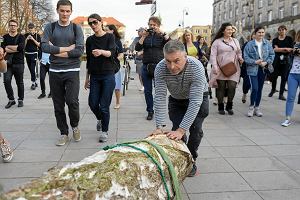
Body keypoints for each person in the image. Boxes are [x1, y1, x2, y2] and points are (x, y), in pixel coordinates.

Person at [151, 40, 209, 177]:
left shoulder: (196, 67)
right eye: (168, 61)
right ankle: (181, 161)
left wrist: (182, 130)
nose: (172, 66)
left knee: (195, 130)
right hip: (176, 99)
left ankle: (191, 159)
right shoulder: (160, 68)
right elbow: (159, 96)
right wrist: (159, 126)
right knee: (176, 133)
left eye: (176, 61)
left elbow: (195, 101)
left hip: (199, 98)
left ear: (185, 56)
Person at [41, 0, 84, 146]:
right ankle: (64, 133)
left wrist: (56, 50)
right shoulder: (50, 27)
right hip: (54, 71)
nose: (65, 14)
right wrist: (66, 49)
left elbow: (79, 51)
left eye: (67, 11)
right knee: (58, 105)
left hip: (72, 70)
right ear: (57, 10)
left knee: (72, 101)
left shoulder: (76, 28)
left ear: (71, 11)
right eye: (62, 11)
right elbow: (44, 47)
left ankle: (75, 126)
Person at [84, 13, 116, 143]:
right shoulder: (90, 40)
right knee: (92, 103)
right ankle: (100, 118)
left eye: (95, 22)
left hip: (108, 75)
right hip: (95, 76)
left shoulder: (110, 37)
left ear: (101, 22)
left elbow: (111, 53)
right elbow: (89, 60)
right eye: (90, 23)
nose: (93, 25)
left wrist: (101, 52)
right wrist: (87, 78)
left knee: (104, 105)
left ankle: (104, 131)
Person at [135, 16, 169, 120]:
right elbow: (137, 48)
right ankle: (150, 110)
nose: (152, 26)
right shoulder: (146, 36)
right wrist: (143, 36)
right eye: (150, 25)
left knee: (159, 90)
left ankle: (159, 109)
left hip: (159, 66)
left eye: (154, 25)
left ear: (158, 26)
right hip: (146, 66)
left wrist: (163, 33)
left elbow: (170, 44)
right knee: (148, 91)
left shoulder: (161, 36)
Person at [209, 23, 243, 115]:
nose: (230, 31)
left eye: (231, 29)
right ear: (223, 30)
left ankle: (229, 106)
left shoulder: (235, 41)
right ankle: (221, 107)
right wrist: (215, 67)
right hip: (220, 68)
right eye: (228, 29)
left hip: (233, 67)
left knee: (232, 86)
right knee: (221, 88)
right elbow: (213, 55)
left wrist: (240, 58)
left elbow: (239, 52)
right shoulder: (217, 42)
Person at [243, 26, 275, 117]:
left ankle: (257, 108)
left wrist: (266, 62)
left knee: (260, 89)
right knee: (255, 88)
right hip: (252, 70)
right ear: (255, 33)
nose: (261, 34)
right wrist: (255, 62)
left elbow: (272, 55)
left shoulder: (267, 43)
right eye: (259, 32)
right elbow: (246, 57)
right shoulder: (249, 44)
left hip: (263, 69)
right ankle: (251, 107)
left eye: (262, 32)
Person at [1, 19, 25, 109]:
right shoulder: (5, 37)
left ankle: (20, 100)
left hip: (19, 63)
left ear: (17, 27)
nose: (13, 27)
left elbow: (21, 48)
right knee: (6, 81)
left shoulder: (21, 37)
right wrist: (15, 48)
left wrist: (8, 47)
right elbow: (3, 48)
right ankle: (11, 100)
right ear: (9, 26)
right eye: (11, 25)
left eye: (14, 25)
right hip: (7, 63)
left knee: (20, 82)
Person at [269, 25, 294, 100]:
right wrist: (285, 49)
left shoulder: (289, 39)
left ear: (286, 30)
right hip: (276, 60)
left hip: (286, 60)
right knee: (274, 76)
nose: (281, 31)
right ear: (278, 31)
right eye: (280, 30)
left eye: (283, 29)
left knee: (284, 77)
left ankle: (281, 94)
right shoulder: (275, 40)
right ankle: (273, 89)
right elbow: (274, 50)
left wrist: (279, 48)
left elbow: (291, 49)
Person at [281, 31, 300, 127]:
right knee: (290, 97)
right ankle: (287, 118)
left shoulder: (294, 47)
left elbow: (294, 51)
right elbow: (291, 52)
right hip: (293, 74)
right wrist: (293, 50)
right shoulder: (295, 45)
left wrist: (293, 50)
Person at [106, 24, 123, 109]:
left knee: (117, 86)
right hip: (105, 66)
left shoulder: (117, 41)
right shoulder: (104, 39)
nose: (105, 31)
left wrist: (116, 59)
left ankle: (117, 102)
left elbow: (121, 54)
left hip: (115, 67)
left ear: (112, 30)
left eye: (107, 30)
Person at [24, 23, 41, 90]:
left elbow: (39, 45)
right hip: (27, 54)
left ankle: (33, 83)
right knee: (30, 69)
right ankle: (35, 80)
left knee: (32, 68)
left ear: (34, 28)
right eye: (29, 28)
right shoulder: (25, 35)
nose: (31, 30)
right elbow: (23, 45)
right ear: (28, 28)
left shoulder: (37, 35)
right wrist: (26, 39)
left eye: (32, 28)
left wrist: (33, 39)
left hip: (34, 53)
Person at [241, 32, 255, 104]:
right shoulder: (246, 44)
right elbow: (243, 55)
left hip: (257, 67)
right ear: (252, 36)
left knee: (255, 85)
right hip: (247, 66)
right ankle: (245, 93)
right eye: (254, 34)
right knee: (247, 83)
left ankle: (253, 100)